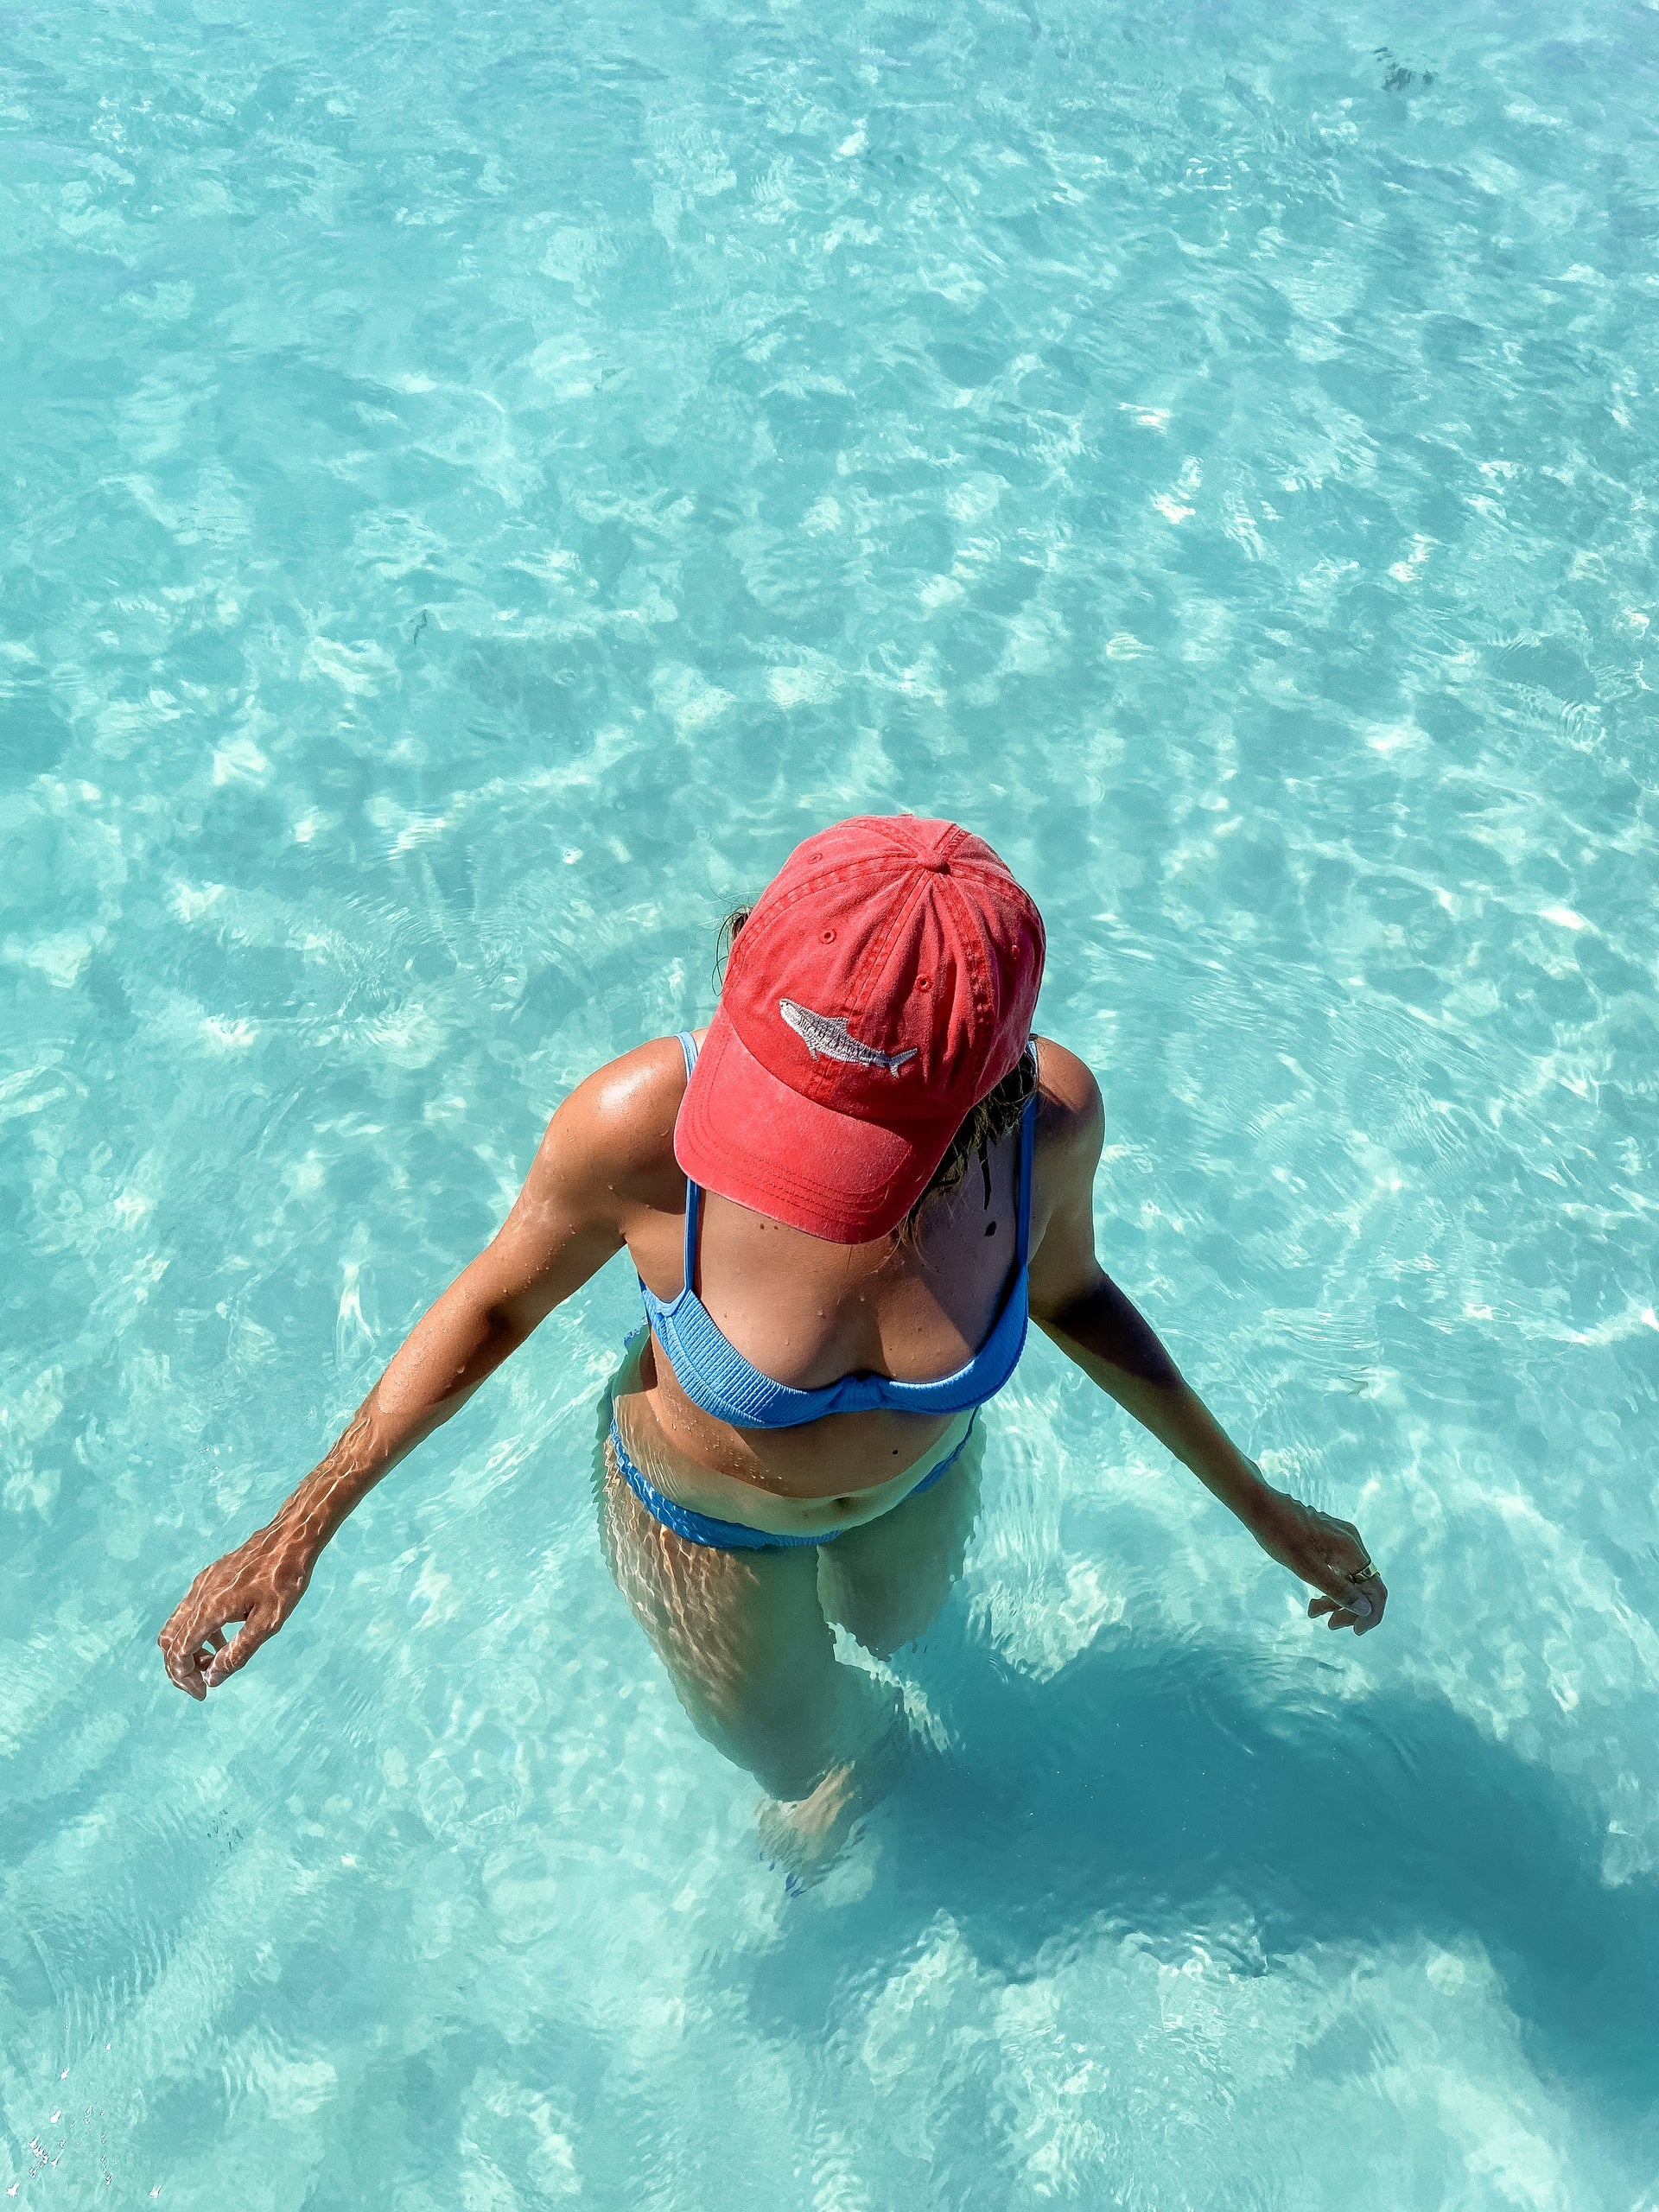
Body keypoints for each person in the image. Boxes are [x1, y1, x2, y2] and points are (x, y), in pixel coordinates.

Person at [160, 816, 1386, 1866]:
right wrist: (301, 1526)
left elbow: (1072, 1297)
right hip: (709, 1528)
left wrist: (1260, 1508)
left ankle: (914, 1762)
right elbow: (494, 1306)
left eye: (856, 1139)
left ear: (991, 1081)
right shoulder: (641, 1124)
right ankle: (871, 1764)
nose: (802, 1171)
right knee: (797, 1756)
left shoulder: (1047, 1129)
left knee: (914, 1643)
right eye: (790, 1106)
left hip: (917, 1488)